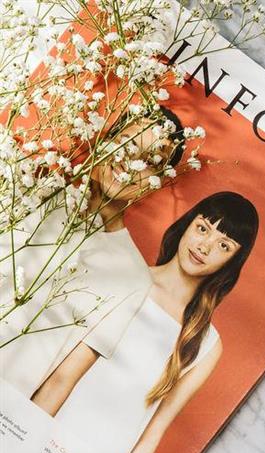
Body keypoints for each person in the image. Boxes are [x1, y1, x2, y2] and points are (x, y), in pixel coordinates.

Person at [33, 192, 259, 453]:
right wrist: (25, 439)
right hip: (48, 441)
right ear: (188, 223)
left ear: (232, 262)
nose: (204, 246)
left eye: (223, 245)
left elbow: (153, 431)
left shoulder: (207, 344)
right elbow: (62, 376)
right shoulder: (129, 278)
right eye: (203, 229)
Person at [0, 106, 186, 397]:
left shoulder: (133, 277)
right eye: (128, 143)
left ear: (157, 182)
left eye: (150, 161)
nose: (131, 161)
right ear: (105, 140)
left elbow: (62, 380)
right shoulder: (31, 192)